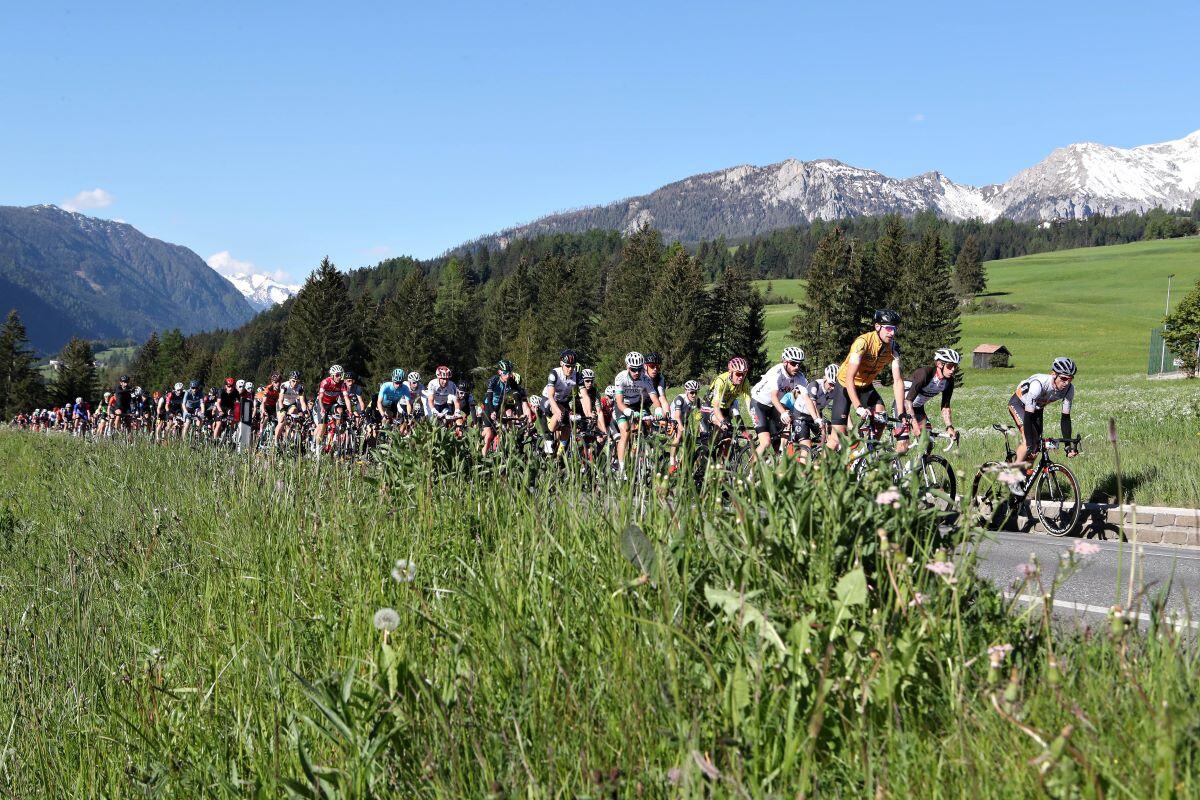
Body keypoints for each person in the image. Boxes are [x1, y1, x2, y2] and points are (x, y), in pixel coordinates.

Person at [829, 309, 906, 452]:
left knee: (881, 418)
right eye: (889, 328)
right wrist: (858, 407)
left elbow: (897, 380)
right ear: (877, 326)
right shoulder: (862, 343)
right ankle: (816, 472)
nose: (892, 333)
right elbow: (849, 378)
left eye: (895, 329)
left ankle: (867, 456)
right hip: (845, 385)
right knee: (836, 439)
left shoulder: (894, 348)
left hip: (865, 386)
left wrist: (901, 413)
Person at [1008, 357, 1078, 490]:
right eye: (1063, 378)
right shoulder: (1038, 385)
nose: (1066, 383)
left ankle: (1023, 485)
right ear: (1053, 374)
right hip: (1019, 404)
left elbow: (1065, 418)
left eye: (1070, 379)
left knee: (1035, 449)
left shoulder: (1069, 389)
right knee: (1028, 441)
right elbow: (1028, 416)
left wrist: (1068, 445)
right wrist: (1029, 441)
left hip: (1037, 408)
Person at [751, 346, 820, 459]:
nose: (797, 367)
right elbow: (773, 397)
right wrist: (783, 413)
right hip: (759, 404)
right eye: (793, 363)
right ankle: (749, 473)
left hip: (775, 406)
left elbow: (806, 398)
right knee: (766, 442)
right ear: (785, 362)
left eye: (799, 364)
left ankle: (781, 454)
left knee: (781, 437)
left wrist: (816, 418)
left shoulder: (800, 377)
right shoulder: (776, 372)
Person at [899, 348, 961, 450]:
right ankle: (888, 463)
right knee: (903, 446)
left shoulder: (948, 382)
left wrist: (949, 427)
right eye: (950, 366)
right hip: (902, 406)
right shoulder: (924, 374)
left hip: (917, 408)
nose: (953, 369)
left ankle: (920, 465)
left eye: (955, 366)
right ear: (939, 364)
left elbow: (945, 407)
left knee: (928, 442)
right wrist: (914, 425)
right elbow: (908, 401)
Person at [612, 351, 658, 473]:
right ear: (628, 367)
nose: (637, 372)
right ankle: (621, 469)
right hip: (623, 406)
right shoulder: (620, 378)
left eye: (639, 369)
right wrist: (627, 411)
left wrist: (658, 409)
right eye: (633, 369)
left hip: (637, 405)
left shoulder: (645, 378)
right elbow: (619, 402)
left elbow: (654, 397)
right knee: (625, 433)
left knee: (648, 422)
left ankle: (644, 449)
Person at [481, 359, 533, 454]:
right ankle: (482, 456)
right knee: (488, 435)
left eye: (509, 373)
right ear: (499, 372)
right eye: (505, 373)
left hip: (500, 407)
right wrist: (492, 411)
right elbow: (489, 397)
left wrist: (520, 414)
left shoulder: (510, 380)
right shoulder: (494, 380)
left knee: (504, 429)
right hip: (489, 406)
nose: (508, 375)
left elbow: (518, 396)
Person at [701, 357, 753, 445]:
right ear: (730, 372)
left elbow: (749, 404)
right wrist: (722, 421)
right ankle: (708, 449)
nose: (741, 377)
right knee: (721, 425)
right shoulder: (721, 380)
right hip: (710, 406)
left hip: (726, 407)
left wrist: (756, 420)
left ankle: (723, 457)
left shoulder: (745, 382)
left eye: (744, 374)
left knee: (728, 437)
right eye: (738, 374)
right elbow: (716, 407)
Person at [543, 349, 581, 455]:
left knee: (568, 426)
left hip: (562, 400)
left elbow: (585, 396)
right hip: (548, 399)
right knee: (560, 411)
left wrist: (588, 413)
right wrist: (557, 411)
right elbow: (551, 396)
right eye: (567, 366)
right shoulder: (555, 373)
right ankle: (548, 435)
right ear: (561, 364)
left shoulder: (577, 376)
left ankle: (559, 454)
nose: (570, 369)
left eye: (573, 366)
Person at [315, 365, 353, 450]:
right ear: (332, 375)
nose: (339, 377)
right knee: (322, 427)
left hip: (332, 403)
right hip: (322, 403)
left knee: (340, 410)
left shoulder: (342, 384)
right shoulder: (325, 382)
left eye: (341, 375)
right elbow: (320, 398)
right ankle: (317, 448)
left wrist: (350, 411)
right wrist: (322, 408)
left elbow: (346, 398)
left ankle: (336, 430)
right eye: (337, 375)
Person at [668, 380, 700, 472]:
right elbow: (677, 416)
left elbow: (700, 413)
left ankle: (683, 465)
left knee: (690, 443)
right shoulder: (680, 399)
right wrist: (681, 427)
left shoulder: (697, 400)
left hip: (684, 420)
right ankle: (672, 463)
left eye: (696, 392)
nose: (694, 395)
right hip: (674, 419)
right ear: (686, 391)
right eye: (692, 392)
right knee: (679, 436)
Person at [424, 366, 463, 431]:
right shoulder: (432, 384)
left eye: (447, 379)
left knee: (454, 420)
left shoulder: (452, 385)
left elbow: (456, 401)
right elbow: (430, 400)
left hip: (444, 404)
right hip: (433, 405)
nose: (445, 381)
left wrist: (457, 412)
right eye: (443, 379)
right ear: (438, 378)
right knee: (434, 425)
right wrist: (434, 411)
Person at [276, 372, 307, 445]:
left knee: (293, 416)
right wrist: (283, 411)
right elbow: (280, 400)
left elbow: (302, 403)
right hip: (282, 404)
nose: (295, 383)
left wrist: (305, 413)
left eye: (297, 381)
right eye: (293, 381)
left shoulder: (300, 388)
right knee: (281, 421)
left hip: (291, 404)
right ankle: (276, 442)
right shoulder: (285, 386)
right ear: (290, 380)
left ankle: (290, 440)